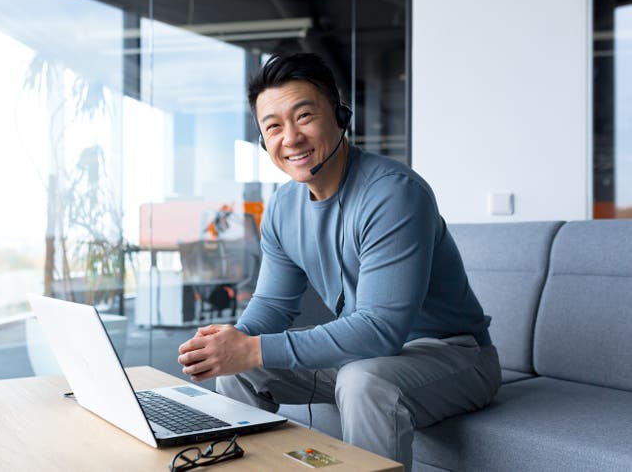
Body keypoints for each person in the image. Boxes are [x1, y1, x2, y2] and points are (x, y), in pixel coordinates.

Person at [177, 53, 501, 470]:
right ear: (263, 140)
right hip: (363, 358)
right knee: (238, 371)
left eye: (304, 116)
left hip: (456, 356)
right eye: (273, 126)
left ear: (340, 114)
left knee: (364, 380)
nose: (290, 138)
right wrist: (228, 343)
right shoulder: (281, 209)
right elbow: (274, 307)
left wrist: (253, 348)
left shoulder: (394, 193)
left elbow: (380, 330)